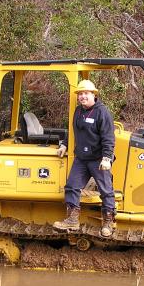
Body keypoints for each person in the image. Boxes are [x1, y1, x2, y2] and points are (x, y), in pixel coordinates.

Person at [53, 79, 116, 237]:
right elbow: (74, 131)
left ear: (94, 94)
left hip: (98, 159)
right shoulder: (78, 111)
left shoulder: (102, 112)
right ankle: (72, 220)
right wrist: (65, 145)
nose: (82, 96)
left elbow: (108, 137)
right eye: (80, 94)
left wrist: (107, 158)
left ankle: (108, 222)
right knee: (72, 186)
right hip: (81, 158)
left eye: (86, 93)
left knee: (106, 191)